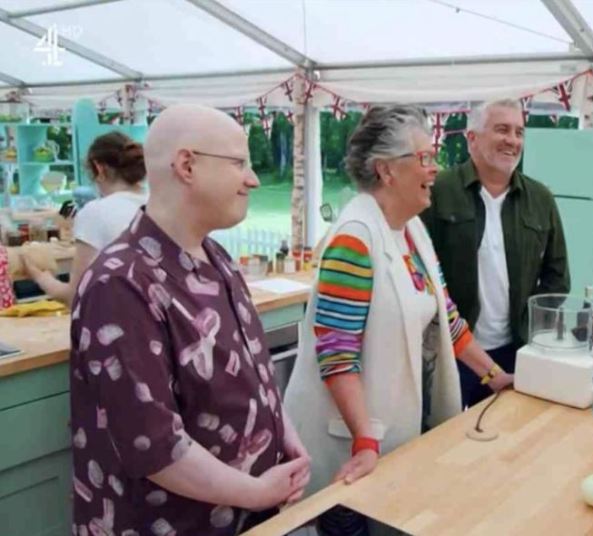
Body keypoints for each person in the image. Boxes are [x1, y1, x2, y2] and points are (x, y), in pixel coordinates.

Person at [69, 104, 310, 535]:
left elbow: (251, 373)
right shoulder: (120, 284)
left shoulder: (216, 257)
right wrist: (257, 492)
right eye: (239, 163)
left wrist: (283, 432)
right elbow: (155, 446)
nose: (252, 179)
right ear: (187, 166)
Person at [284, 105, 513, 493]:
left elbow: (447, 318)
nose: (434, 169)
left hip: (392, 428)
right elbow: (337, 354)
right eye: (424, 158)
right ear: (386, 170)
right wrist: (364, 439)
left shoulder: (412, 231)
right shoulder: (354, 241)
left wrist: (495, 376)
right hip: (349, 444)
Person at [421, 98, 569, 407]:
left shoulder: (540, 198)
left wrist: (532, 330)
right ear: (472, 138)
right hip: (451, 353)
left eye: (519, 132)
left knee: (508, 439)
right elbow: (419, 276)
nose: (513, 140)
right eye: (502, 129)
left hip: (516, 352)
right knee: (446, 441)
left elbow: (557, 278)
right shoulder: (437, 191)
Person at [24, 131, 148, 303]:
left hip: (119, 320)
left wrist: (40, 276)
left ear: (99, 168)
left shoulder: (96, 212)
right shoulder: (159, 203)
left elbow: (76, 296)